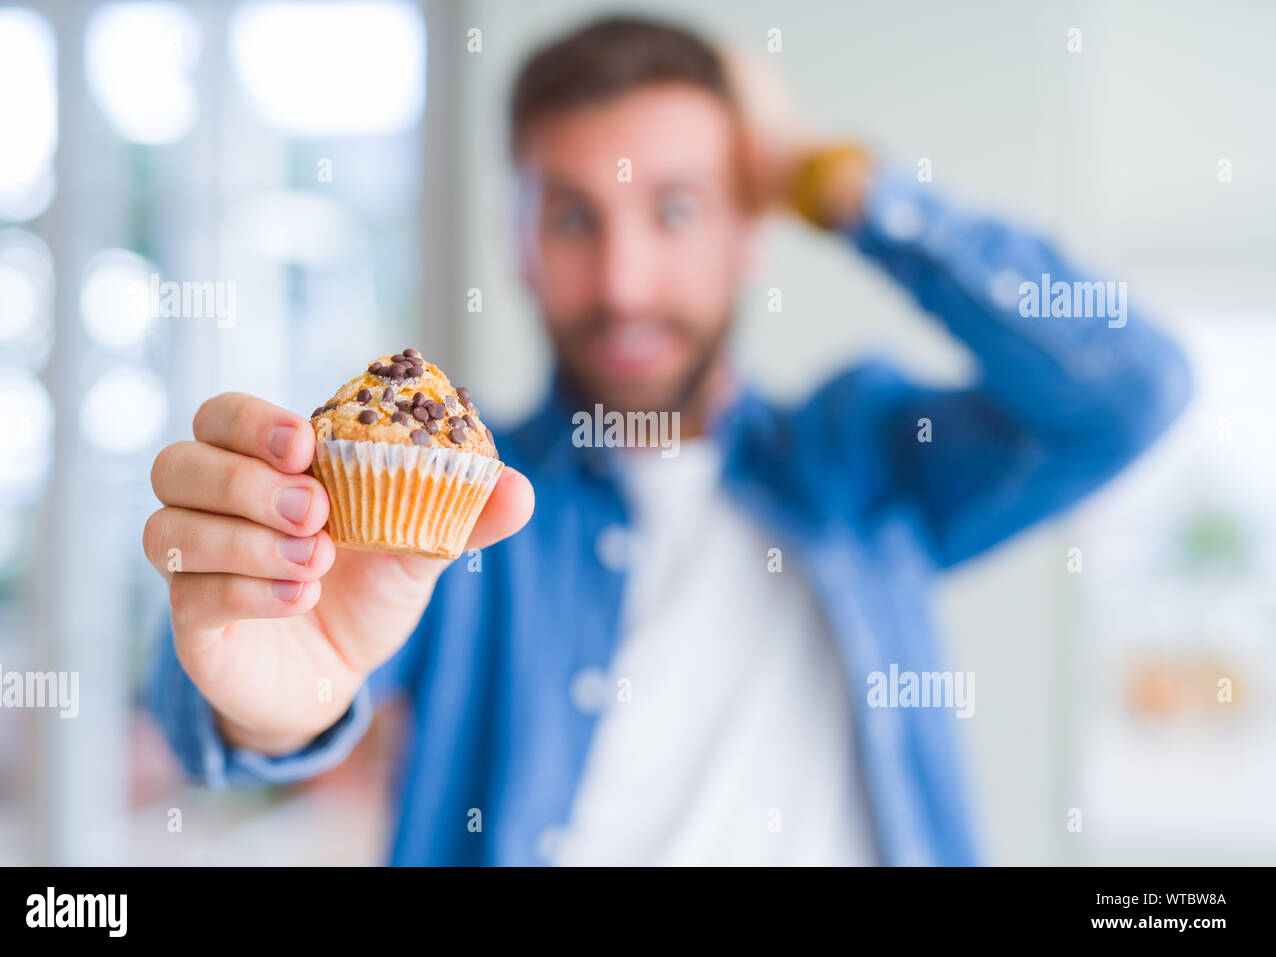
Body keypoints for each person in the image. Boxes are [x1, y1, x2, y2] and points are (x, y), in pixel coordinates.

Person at [144, 16, 1191, 865]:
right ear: (516, 240)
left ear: (748, 229)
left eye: (675, 210)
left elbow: (1130, 392)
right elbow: (232, 698)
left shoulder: (872, 461)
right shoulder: (443, 514)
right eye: (571, 217)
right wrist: (267, 704)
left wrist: (838, 183)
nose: (624, 283)